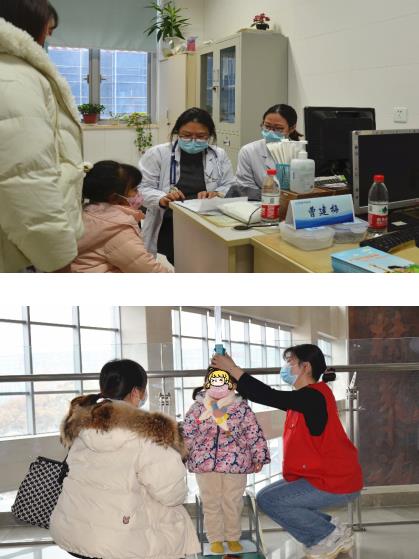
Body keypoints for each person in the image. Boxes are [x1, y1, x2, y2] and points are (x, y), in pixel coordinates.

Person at [211, 344, 363, 559]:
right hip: (323, 476)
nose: (285, 367)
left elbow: (269, 396)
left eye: (290, 362)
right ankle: (331, 529)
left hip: (337, 481)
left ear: (306, 367)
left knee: (272, 501)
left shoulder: (313, 397)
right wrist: (231, 370)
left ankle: (326, 535)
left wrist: (233, 368)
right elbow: (261, 395)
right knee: (265, 497)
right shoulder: (305, 398)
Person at [50, 359, 200, 559]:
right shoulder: (149, 434)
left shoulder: (83, 423)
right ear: (136, 392)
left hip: (73, 529)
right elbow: (172, 494)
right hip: (121, 541)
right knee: (173, 516)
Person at [0, 0, 84, 272]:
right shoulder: (14, 77)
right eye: (48, 29)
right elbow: (24, 179)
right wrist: (59, 260)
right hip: (24, 251)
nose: (48, 36)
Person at [183, 367, 270, 555]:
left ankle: (232, 537)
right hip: (205, 465)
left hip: (236, 463)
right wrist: (181, 454)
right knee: (211, 502)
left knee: (233, 502)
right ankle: (215, 538)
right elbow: (187, 434)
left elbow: (253, 432)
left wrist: (259, 456)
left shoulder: (241, 408)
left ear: (232, 384)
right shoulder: (197, 408)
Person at [139, 107, 236, 264]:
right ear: (177, 132)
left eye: (201, 136)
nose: (193, 140)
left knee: (211, 261)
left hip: (207, 219)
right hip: (171, 220)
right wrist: (162, 198)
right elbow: (142, 189)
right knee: (183, 261)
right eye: (186, 135)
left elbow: (229, 184)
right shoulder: (158, 154)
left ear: (210, 135)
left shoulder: (219, 154)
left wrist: (217, 193)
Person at [71, 160, 172, 273]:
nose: (139, 193)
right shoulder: (116, 228)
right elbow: (149, 270)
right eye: (134, 190)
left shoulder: (88, 213)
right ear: (114, 197)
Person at [228, 104, 303, 200]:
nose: (271, 132)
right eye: (267, 126)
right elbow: (246, 189)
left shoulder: (299, 152)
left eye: (278, 128)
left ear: (292, 128)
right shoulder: (249, 151)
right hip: (259, 203)